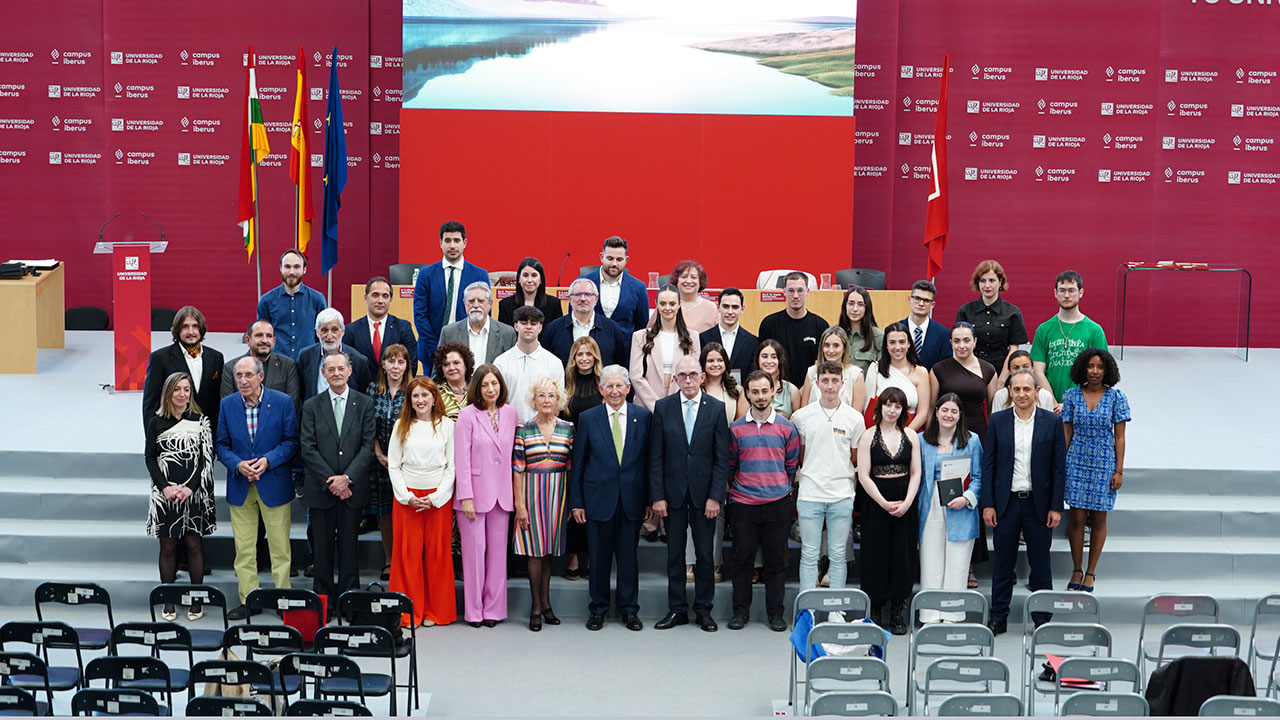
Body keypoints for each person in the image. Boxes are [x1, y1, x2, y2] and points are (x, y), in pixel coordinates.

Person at [980, 369, 1067, 635]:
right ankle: (998, 617)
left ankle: (1043, 619)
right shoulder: (998, 421)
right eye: (1016, 390)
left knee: (1041, 565)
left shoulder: (1051, 422)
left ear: (1037, 392)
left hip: (1038, 505)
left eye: (1027, 389)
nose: (1021, 394)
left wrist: (1055, 506)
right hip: (1006, 504)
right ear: (1009, 393)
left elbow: (1058, 468)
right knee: (1003, 564)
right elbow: (989, 465)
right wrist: (988, 504)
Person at [649, 356, 730, 632]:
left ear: (702, 377)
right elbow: (655, 456)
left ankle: (704, 610)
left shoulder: (716, 409)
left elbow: (722, 458)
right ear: (675, 379)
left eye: (693, 374)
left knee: (705, 555)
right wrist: (657, 495)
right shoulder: (663, 407)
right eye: (682, 375)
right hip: (671, 496)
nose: (687, 380)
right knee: (675, 555)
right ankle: (677, 609)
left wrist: (715, 496)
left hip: (704, 495)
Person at [568, 365, 652, 632]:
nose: (615, 391)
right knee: (599, 558)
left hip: (632, 500)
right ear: (601, 389)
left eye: (620, 386)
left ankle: (629, 610)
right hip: (597, 499)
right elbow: (578, 463)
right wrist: (577, 501)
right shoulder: (589, 418)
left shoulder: (643, 416)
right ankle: (598, 609)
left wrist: (650, 499)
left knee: (628, 559)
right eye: (610, 386)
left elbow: (649, 462)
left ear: (628, 389)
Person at [215, 356, 299, 620]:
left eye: (248, 375)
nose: (243, 381)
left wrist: (267, 460)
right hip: (241, 485)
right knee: (244, 549)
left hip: (273, 482)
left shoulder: (283, 402)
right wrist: (238, 465)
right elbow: (221, 445)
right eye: (239, 376)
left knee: (280, 548)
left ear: (261, 377)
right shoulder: (227, 405)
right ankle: (248, 599)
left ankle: (283, 598)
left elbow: (291, 441)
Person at [299, 351, 376, 615]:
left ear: (350, 370)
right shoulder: (311, 405)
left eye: (340, 368)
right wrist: (332, 481)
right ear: (323, 373)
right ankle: (323, 605)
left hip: (352, 491)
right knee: (321, 553)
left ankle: (348, 604)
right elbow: (307, 448)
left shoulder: (364, 404)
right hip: (321, 491)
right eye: (330, 369)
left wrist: (347, 479)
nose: (336, 373)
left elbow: (367, 447)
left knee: (348, 552)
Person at [726, 370, 800, 632]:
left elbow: (791, 465)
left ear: (773, 392)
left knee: (776, 561)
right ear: (747, 394)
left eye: (764, 391)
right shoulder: (735, 429)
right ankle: (740, 612)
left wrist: (776, 486)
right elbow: (731, 464)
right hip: (743, 504)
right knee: (742, 560)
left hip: (777, 502)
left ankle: (776, 614)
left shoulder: (787, 428)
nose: (759, 396)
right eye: (754, 392)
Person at [145, 371, 216, 621]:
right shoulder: (155, 422)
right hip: (165, 494)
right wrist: (165, 487)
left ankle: (196, 599)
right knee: (168, 546)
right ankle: (169, 599)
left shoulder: (200, 420)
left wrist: (189, 488)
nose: (182, 394)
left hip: (193, 494)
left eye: (186, 389)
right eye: (177, 389)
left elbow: (207, 460)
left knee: (194, 545)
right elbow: (150, 458)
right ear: (168, 392)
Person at [387, 376, 457, 627]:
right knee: (408, 555)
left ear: (434, 397)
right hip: (408, 499)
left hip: (437, 499)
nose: (420, 400)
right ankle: (409, 612)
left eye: (425, 395)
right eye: (415, 396)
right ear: (410, 400)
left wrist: (436, 497)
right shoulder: (400, 426)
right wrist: (407, 496)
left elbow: (452, 467)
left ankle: (435, 611)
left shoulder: (447, 425)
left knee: (438, 556)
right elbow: (394, 465)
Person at [453, 364, 518, 627]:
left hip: (502, 495)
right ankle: (474, 610)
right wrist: (465, 496)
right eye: (485, 385)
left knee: (497, 556)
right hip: (474, 496)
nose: (491, 389)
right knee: (474, 555)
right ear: (477, 388)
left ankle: (493, 609)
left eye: (495, 384)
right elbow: (461, 458)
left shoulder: (511, 413)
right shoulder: (467, 415)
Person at [791, 361, 864, 591]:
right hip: (810, 492)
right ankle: (807, 611)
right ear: (817, 383)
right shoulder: (801, 416)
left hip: (841, 494)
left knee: (838, 554)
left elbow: (855, 457)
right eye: (825, 380)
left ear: (843, 384)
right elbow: (800, 454)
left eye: (835, 381)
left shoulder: (854, 418)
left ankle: (836, 612)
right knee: (809, 554)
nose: (830, 386)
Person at [1062, 349, 1130, 594]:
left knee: (1099, 519)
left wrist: (1119, 470)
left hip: (1104, 464)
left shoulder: (1116, 398)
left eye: (1100, 367)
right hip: (1076, 461)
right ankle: (1076, 569)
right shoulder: (1070, 395)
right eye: (1090, 366)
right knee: (1077, 518)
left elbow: (1120, 437)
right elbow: (1067, 433)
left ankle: (1091, 572)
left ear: (1107, 370)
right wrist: (1061, 465)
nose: (1094, 371)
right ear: (1083, 368)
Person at [855, 386, 921, 634]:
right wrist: (883, 503)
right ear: (879, 407)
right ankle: (874, 608)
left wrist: (906, 502)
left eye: (897, 406)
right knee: (876, 555)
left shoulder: (911, 436)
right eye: (888, 404)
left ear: (903, 409)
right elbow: (864, 475)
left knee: (902, 556)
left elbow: (916, 472)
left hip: (905, 502)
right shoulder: (868, 436)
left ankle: (897, 609)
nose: (892, 410)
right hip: (876, 502)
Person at [512, 377, 576, 631]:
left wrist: (571, 502)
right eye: (542, 396)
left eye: (551, 395)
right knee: (534, 553)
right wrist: (520, 505)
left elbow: (571, 468)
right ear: (533, 400)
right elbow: (517, 469)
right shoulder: (524, 429)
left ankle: (547, 604)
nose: (547, 400)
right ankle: (536, 607)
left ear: (558, 399)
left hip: (558, 498)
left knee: (548, 552)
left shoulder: (568, 428)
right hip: (531, 496)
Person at [917, 393, 983, 623]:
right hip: (931, 503)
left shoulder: (972, 440)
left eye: (954, 411)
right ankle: (930, 614)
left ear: (960, 415)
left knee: (958, 562)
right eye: (945, 410)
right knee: (930, 560)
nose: (949, 415)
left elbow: (978, 477)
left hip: (960, 505)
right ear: (936, 412)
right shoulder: (921, 440)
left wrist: (966, 498)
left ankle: (952, 614)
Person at [366, 344, 416, 581]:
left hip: (407, 463)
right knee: (385, 513)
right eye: (391, 361)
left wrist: (397, 460)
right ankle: (389, 559)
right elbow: (367, 426)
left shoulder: (414, 391)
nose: (396, 367)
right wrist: (379, 454)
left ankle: (406, 560)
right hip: (379, 463)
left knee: (405, 512)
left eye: (401, 362)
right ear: (383, 364)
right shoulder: (373, 389)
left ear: (407, 366)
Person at [413, 220, 489, 365]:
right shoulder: (425, 275)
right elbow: (420, 316)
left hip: (469, 350)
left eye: (456, 240)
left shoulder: (479, 275)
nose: (452, 245)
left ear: (464, 243)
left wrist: (467, 350)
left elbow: (483, 314)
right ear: (440, 243)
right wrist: (437, 350)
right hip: (432, 351)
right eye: (447, 240)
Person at [1031, 270, 1108, 407]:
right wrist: (1052, 403)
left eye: (1071, 290)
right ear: (1055, 293)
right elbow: (1038, 371)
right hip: (1049, 406)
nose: (1066, 295)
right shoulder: (1043, 330)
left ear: (1081, 293)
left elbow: (1100, 372)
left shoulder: (1095, 331)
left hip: (1083, 406)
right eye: (1062, 290)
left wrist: (1072, 404)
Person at [143, 306, 224, 434]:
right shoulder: (160, 358)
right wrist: (152, 438)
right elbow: (151, 402)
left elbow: (217, 401)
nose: (191, 331)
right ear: (177, 330)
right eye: (185, 326)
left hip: (207, 433)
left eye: (195, 326)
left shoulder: (216, 357)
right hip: (172, 434)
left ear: (201, 329)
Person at [562, 336, 603, 580]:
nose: (585, 359)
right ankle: (573, 556)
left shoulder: (603, 383)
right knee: (573, 503)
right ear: (574, 358)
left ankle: (590, 555)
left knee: (593, 504)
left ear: (595, 358)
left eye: (589, 354)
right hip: (570, 452)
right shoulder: (566, 384)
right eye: (580, 355)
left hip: (598, 453)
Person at [629, 284, 699, 411]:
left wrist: (674, 404)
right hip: (646, 407)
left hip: (680, 406)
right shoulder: (640, 336)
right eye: (663, 303)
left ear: (679, 304)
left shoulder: (692, 337)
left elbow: (694, 374)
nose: (667, 308)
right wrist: (657, 407)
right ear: (656, 304)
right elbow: (635, 376)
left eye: (672, 304)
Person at [955, 260, 1027, 378]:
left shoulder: (1013, 312)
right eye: (983, 281)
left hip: (1002, 371)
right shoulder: (965, 311)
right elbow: (960, 346)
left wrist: (1002, 380)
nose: (987, 285)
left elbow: (1013, 349)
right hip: (972, 370)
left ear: (1000, 282)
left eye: (992, 280)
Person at [757, 272, 829, 388]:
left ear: (808, 291)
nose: (795, 296)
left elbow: (823, 364)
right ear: (784, 292)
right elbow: (762, 364)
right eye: (791, 291)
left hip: (811, 390)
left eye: (800, 290)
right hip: (777, 391)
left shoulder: (821, 326)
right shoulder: (769, 324)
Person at [494, 306, 564, 423]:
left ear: (540, 327)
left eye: (533, 323)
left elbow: (557, 403)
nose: (529, 327)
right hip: (509, 428)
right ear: (516, 326)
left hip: (542, 430)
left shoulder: (554, 362)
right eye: (524, 322)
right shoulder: (501, 362)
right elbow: (497, 401)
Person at [929, 323, 998, 437]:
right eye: (956, 341)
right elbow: (931, 409)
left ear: (974, 341)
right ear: (951, 343)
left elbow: (992, 410)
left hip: (978, 433)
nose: (961, 346)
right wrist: (929, 436)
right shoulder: (937, 370)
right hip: (946, 433)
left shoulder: (988, 370)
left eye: (966, 340)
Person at [257, 249, 327, 361]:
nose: (291, 272)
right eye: (287, 266)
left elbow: (323, 334)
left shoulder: (317, 299)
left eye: (296, 267)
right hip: (277, 363)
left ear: (304, 269)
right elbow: (261, 335)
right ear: (280, 268)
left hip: (308, 363)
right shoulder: (266, 301)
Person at [544, 277, 630, 367]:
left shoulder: (612, 329)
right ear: (569, 299)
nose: (583, 299)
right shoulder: (553, 329)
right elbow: (546, 364)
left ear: (596, 299)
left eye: (588, 294)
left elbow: (620, 364)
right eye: (577, 294)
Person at [346, 276, 419, 375]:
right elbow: (347, 365)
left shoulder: (403, 328)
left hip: (395, 388)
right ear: (366, 298)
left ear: (391, 300)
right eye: (375, 295)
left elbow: (412, 364)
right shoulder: (351, 330)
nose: (380, 301)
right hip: (361, 389)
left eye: (385, 296)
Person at [220, 320, 302, 409]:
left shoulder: (288, 365)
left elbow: (292, 404)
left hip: (278, 422)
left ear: (274, 341)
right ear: (248, 340)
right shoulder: (231, 368)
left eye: (269, 336)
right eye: (259, 335)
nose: (264, 340)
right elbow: (229, 406)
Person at [864, 323, 931, 432]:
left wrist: (905, 435)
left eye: (902, 342)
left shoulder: (921, 372)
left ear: (909, 343)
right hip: (879, 432)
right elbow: (868, 407)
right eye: (892, 342)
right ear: (886, 345)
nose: (897, 347)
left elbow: (923, 413)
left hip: (910, 432)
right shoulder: (875, 369)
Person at [297, 308, 373, 402]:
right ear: (317, 332)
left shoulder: (359, 360)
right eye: (324, 330)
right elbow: (301, 392)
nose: (329, 336)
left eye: (334, 330)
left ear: (343, 331)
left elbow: (363, 398)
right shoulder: (305, 356)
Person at [584, 236, 649, 337]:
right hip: (590, 349)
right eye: (610, 258)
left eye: (619, 259)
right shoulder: (583, 283)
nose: (614, 263)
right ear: (601, 257)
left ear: (626, 260)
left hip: (625, 350)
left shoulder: (638, 288)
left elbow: (641, 327)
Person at [441, 281, 517, 366]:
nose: (476, 305)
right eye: (471, 301)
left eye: (481, 301)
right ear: (464, 303)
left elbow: (512, 368)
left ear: (490, 304)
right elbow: (438, 370)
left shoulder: (507, 333)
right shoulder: (449, 332)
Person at [798, 326, 867, 412]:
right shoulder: (812, 372)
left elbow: (856, 415)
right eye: (826, 345)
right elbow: (804, 410)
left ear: (844, 349)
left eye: (836, 346)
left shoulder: (856, 374)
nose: (831, 350)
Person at [699, 287, 758, 382]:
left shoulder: (753, 342)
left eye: (735, 307)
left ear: (742, 309)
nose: (730, 312)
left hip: (741, 394)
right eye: (726, 306)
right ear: (718, 308)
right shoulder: (703, 338)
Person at [897, 280, 952, 370]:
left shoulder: (943, 334)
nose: (921, 304)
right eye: (917, 298)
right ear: (909, 300)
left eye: (926, 300)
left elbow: (945, 368)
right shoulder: (895, 330)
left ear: (932, 305)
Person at [498, 257, 563, 330]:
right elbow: (504, 336)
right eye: (525, 275)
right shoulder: (505, 305)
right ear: (519, 278)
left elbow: (556, 333)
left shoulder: (554, 304)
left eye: (534, 275)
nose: (529, 280)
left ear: (541, 279)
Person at [838, 285, 883, 376]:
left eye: (860, 304)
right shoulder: (836, 334)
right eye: (851, 303)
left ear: (867, 308)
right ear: (845, 306)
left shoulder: (878, 336)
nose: (855, 309)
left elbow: (881, 373)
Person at [992, 351, 1056, 411]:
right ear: (1009, 371)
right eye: (1016, 368)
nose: (1021, 371)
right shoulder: (1000, 395)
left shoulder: (1045, 395)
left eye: (1025, 367)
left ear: (1032, 368)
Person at [753, 339, 801, 419]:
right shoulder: (749, 389)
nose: (769, 361)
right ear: (758, 360)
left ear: (780, 360)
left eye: (774, 357)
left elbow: (797, 422)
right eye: (764, 356)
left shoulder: (792, 391)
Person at [670, 260, 718, 333]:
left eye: (694, 277)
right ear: (677, 281)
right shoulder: (667, 305)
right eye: (684, 276)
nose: (689, 281)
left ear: (700, 282)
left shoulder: (711, 308)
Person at [432, 341, 475, 419]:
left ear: (466, 365)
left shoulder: (477, 389)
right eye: (446, 364)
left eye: (456, 363)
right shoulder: (435, 393)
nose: (451, 368)